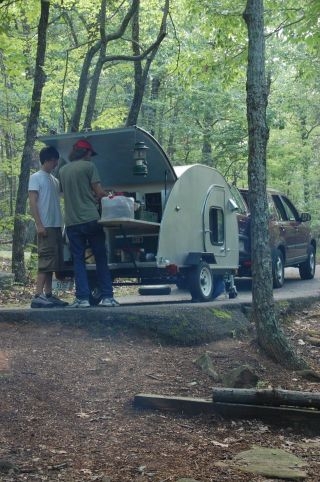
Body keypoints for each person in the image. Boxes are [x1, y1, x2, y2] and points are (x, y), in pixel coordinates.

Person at [59, 139, 119, 308]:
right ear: (86, 153)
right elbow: (99, 192)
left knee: (78, 260)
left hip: (71, 222)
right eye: (90, 154)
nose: (91, 157)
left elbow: (71, 192)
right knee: (100, 258)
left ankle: (82, 298)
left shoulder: (63, 170)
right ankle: (107, 296)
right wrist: (110, 196)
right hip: (90, 219)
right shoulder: (89, 167)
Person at [28, 146, 69, 308]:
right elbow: (32, 201)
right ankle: (37, 295)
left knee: (53, 261)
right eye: (54, 160)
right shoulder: (36, 177)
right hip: (45, 225)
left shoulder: (55, 180)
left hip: (56, 225)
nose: (56, 163)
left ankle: (49, 294)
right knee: (45, 260)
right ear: (47, 160)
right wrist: (39, 224)